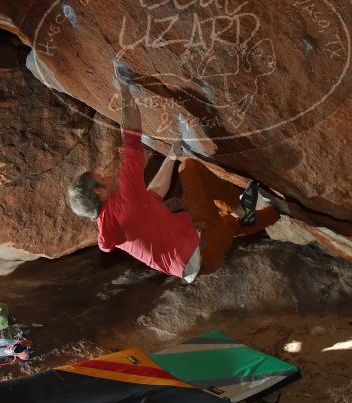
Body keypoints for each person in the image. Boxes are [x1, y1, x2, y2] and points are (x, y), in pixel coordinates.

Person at [68, 66, 279, 281]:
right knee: (193, 174)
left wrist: (171, 156)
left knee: (223, 222)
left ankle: (273, 212)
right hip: (200, 251)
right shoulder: (123, 201)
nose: (105, 175)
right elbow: (131, 134)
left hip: (196, 252)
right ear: (99, 191)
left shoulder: (111, 221)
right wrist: (125, 88)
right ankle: (241, 208)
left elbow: (155, 193)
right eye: (100, 178)